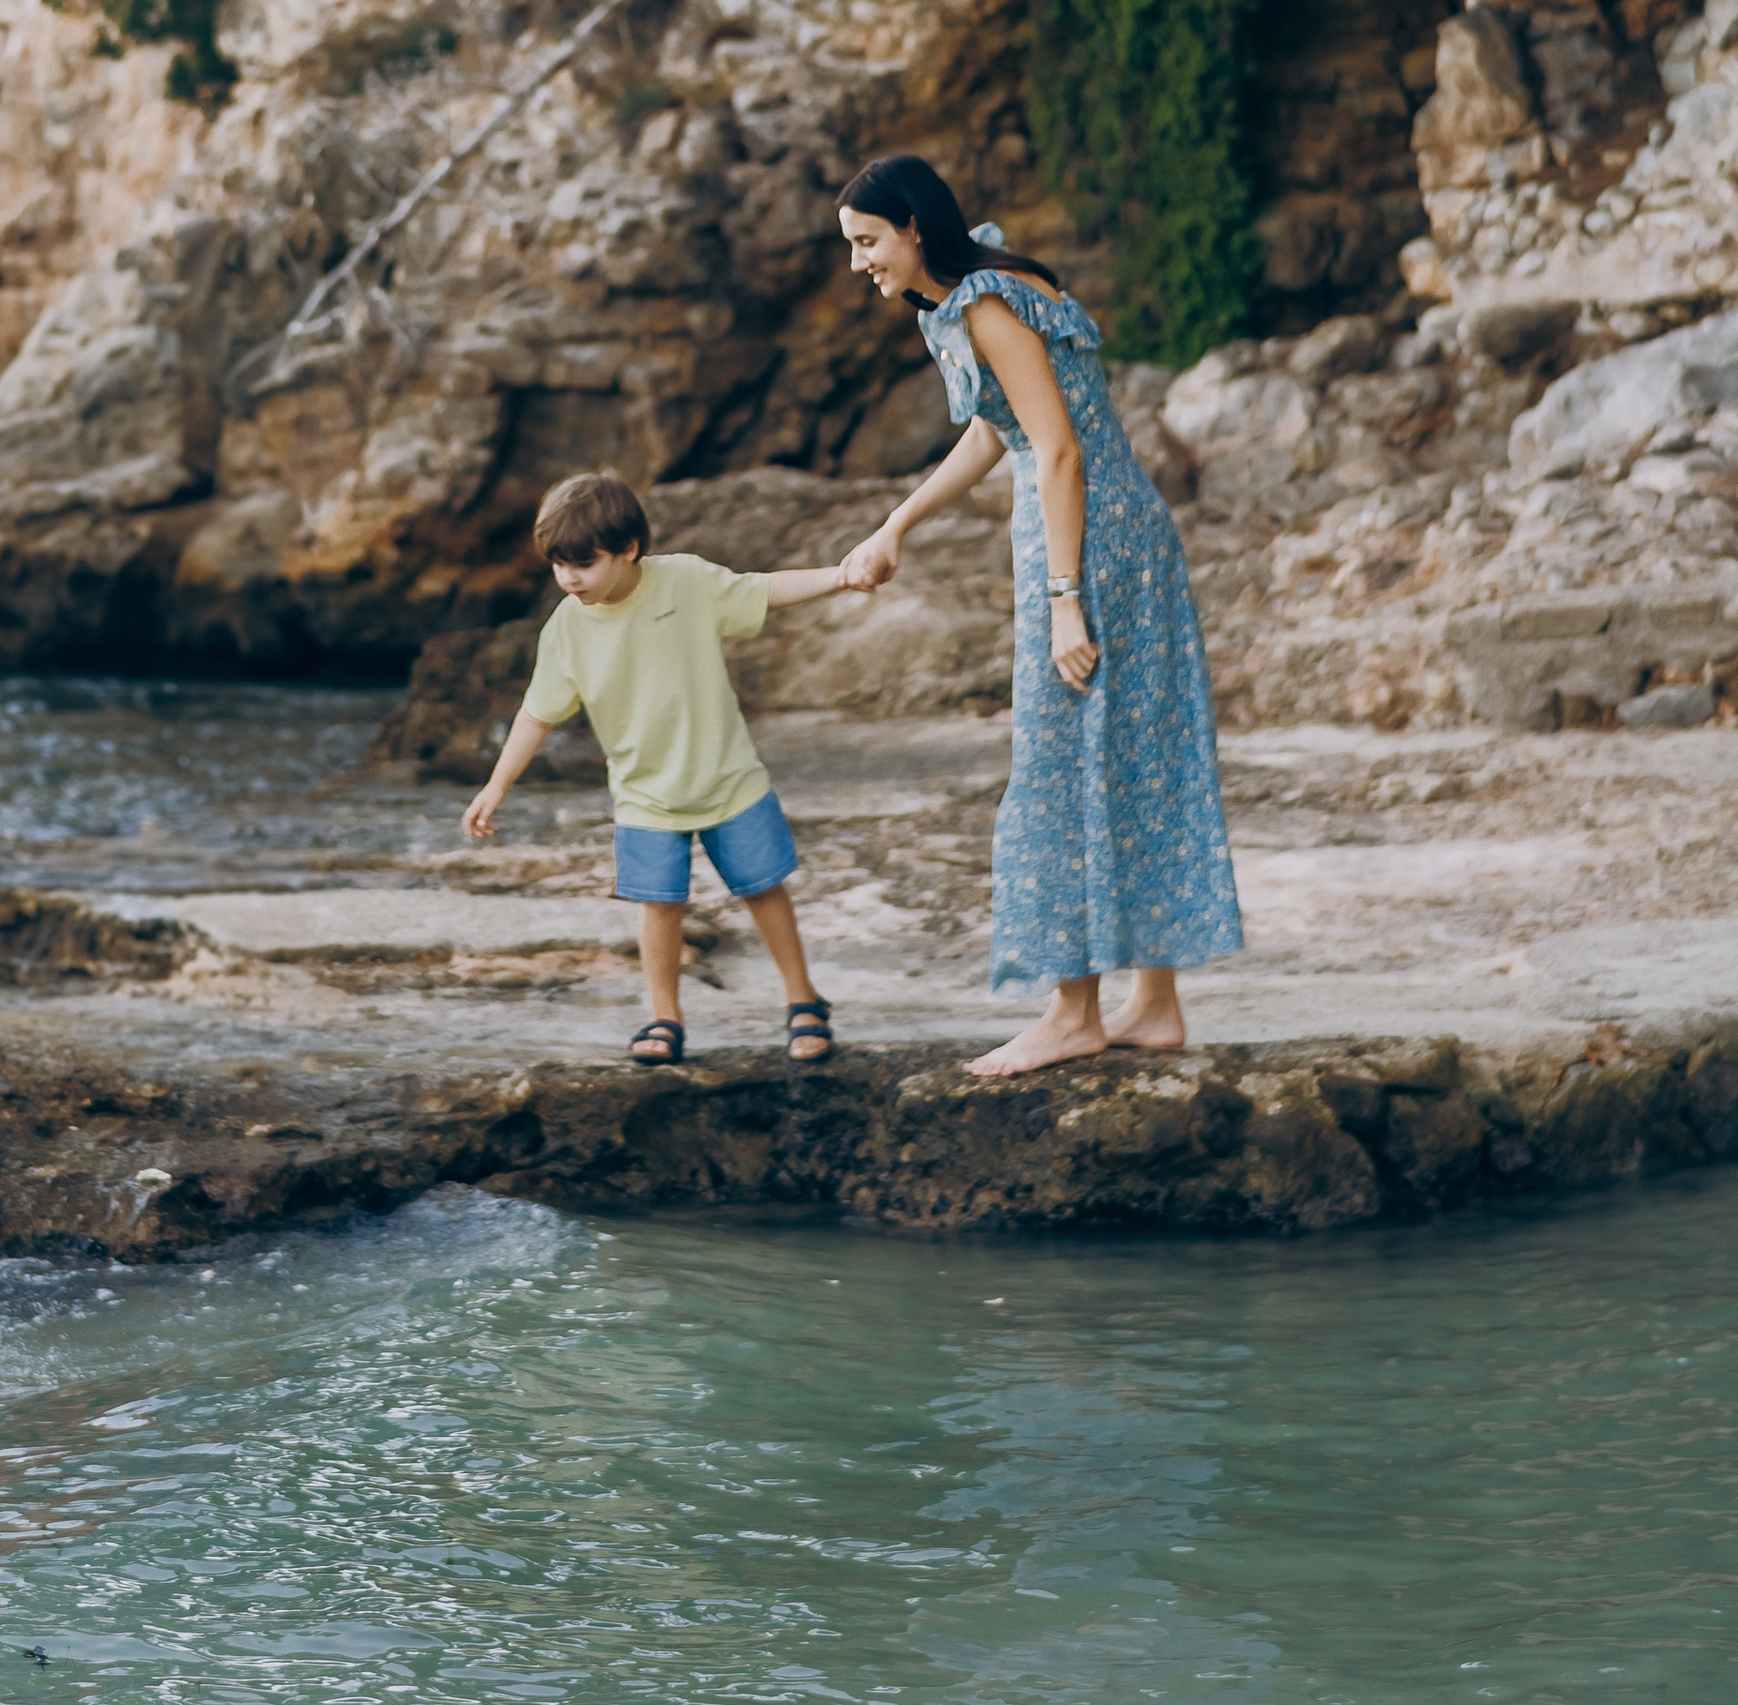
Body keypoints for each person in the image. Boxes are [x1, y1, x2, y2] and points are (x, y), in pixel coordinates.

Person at [837, 154, 1242, 1075]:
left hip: (1088, 548)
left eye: (867, 242)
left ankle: (1071, 1015)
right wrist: (898, 523)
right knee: (1132, 756)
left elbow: (1054, 453)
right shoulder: (994, 284)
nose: (860, 263)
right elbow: (1000, 429)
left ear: (913, 227)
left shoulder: (982, 299)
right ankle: (1155, 1004)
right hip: (1118, 536)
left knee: (1061, 766)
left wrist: (1066, 601)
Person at [463, 468, 853, 1065]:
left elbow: (763, 589)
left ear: (629, 550)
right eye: (558, 564)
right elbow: (536, 715)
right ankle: (664, 1018)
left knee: (762, 888)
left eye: (584, 563)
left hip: (728, 778)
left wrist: (842, 576)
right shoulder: (566, 629)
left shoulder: (686, 581)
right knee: (660, 905)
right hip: (645, 797)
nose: (569, 578)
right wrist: (496, 787)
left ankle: (804, 1000)